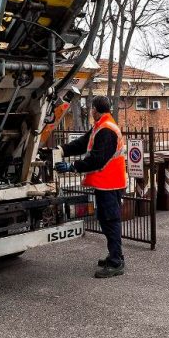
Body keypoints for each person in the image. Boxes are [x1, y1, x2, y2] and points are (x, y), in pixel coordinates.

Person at [54, 95, 127, 278]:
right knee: (105, 219)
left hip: (111, 183)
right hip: (106, 183)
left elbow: (97, 159)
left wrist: (73, 166)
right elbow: (83, 143)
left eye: (91, 108)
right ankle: (115, 255)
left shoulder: (107, 130)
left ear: (95, 109)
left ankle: (116, 262)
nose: (90, 111)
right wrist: (62, 150)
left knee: (110, 221)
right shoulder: (100, 126)